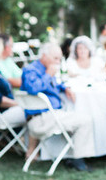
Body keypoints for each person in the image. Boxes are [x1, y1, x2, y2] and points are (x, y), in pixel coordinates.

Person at [21, 42, 94, 171]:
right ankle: (78, 160)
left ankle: (70, 156)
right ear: (44, 56)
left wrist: (64, 88)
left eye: (60, 59)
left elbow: (53, 85)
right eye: (55, 58)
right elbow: (33, 89)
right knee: (85, 120)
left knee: (78, 115)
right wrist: (48, 74)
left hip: (50, 115)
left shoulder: (47, 69)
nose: (58, 61)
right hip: (41, 119)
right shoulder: (31, 70)